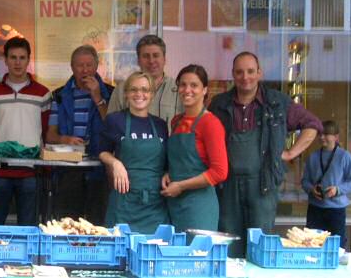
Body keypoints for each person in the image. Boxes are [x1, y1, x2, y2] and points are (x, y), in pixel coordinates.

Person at [208, 51, 323, 257]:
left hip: (264, 184)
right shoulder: (219, 104)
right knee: (228, 245)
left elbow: (312, 124)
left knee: (260, 247)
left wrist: (290, 153)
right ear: (233, 74)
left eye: (251, 71)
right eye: (240, 72)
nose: (246, 77)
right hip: (227, 186)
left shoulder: (277, 102)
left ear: (259, 73)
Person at [0, 37, 51, 225]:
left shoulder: (43, 94)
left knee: (28, 230)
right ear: (5, 60)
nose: (17, 62)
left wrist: (45, 168)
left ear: (29, 60)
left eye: (22, 57)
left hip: (31, 172)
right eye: (13, 57)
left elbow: (47, 133)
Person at [46, 45, 114, 225]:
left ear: (97, 66)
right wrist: (65, 139)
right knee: (69, 224)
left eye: (89, 65)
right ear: (71, 67)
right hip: (69, 168)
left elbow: (114, 128)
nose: (85, 70)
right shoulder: (59, 95)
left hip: (100, 168)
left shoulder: (111, 93)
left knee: (97, 225)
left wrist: (98, 97)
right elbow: (50, 136)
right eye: (79, 65)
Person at [161, 64, 228, 232]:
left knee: (197, 256)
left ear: (205, 90)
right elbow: (180, 158)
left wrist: (181, 186)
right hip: (174, 203)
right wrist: (168, 173)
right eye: (183, 85)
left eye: (194, 85)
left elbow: (220, 172)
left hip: (199, 205)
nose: (187, 90)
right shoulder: (176, 121)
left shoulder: (211, 123)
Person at [100, 71, 168, 233]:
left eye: (145, 90)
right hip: (124, 201)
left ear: (152, 95)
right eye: (134, 89)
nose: (139, 94)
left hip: (155, 204)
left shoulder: (160, 125)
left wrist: (167, 173)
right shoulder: (115, 120)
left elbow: (166, 160)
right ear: (126, 94)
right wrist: (115, 163)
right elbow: (102, 151)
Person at [108, 34, 181, 122]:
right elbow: (111, 125)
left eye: (156, 55)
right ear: (138, 60)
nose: (151, 61)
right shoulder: (122, 89)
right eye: (146, 56)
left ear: (164, 59)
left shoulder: (178, 90)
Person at [302, 120, 351, 249]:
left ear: (336, 137)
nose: (322, 137)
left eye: (326, 134)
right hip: (315, 209)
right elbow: (305, 181)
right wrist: (311, 189)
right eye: (320, 134)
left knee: (337, 247)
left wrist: (338, 190)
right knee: (311, 245)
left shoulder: (345, 157)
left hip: (336, 210)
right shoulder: (313, 157)